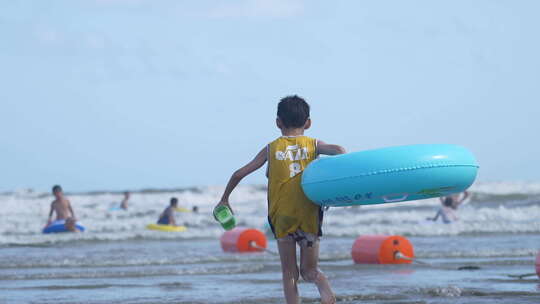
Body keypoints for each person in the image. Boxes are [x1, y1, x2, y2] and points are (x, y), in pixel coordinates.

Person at [214, 95, 345, 304]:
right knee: (309, 271)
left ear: (278, 122)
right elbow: (339, 151)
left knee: (289, 272)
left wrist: (224, 199)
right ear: (308, 123)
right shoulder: (313, 144)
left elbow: (239, 173)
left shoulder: (271, 148)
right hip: (309, 216)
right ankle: (326, 293)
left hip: (282, 218)